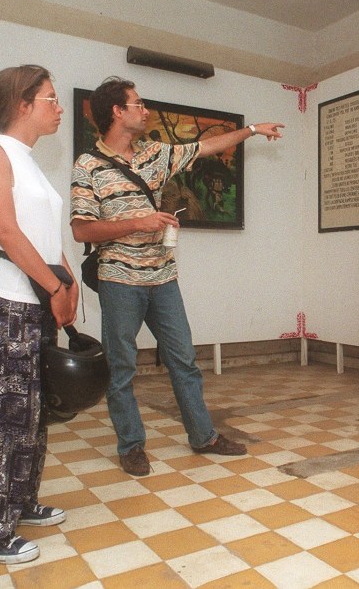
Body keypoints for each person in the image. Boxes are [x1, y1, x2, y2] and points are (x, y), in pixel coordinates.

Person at [70, 76, 284, 476]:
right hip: (119, 280)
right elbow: (82, 229)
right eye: (137, 104)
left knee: (184, 360)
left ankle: (204, 436)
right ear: (117, 112)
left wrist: (252, 130)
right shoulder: (88, 166)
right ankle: (131, 445)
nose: (145, 110)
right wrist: (139, 222)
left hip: (163, 278)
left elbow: (207, 146)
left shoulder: (155, 153)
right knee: (122, 368)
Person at [0, 65, 79, 564]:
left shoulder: (29, 160)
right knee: (4, 416)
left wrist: (67, 285)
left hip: (41, 296)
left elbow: (47, 236)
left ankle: (20, 501)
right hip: (8, 298)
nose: (59, 107)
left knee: (34, 413)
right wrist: (56, 285)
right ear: (22, 103)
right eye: (51, 98)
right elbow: (7, 233)